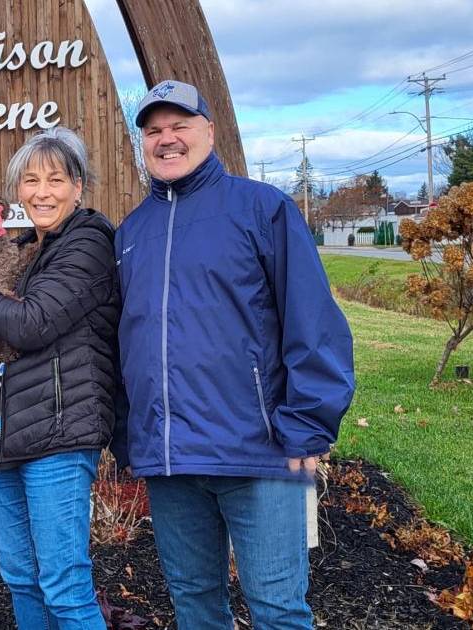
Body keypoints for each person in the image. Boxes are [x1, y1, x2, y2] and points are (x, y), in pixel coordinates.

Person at [115, 79, 355, 629]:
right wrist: (130, 436)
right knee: (195, 607)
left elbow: (312, 318)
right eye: (153, 130)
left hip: (260, 452)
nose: (167, 139)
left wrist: (309, 422)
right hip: (171, 463)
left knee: (278, 611)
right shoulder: (131, 233)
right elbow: (124, 343)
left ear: (210, 131)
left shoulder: (261, 209)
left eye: (180, 126)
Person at [0, 126, 121, 629]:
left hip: (59, 437)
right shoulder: (24, 250)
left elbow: (30, 323)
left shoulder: (88, 243)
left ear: (78, 186)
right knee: (21, 577)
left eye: (55, 179)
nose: (42, 191)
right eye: (30, 180)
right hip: (6, 437)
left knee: (64, 586)